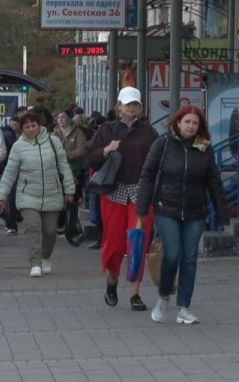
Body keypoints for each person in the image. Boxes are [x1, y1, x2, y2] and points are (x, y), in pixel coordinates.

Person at [135, 106, 229, 324]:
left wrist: (223, 214)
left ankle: (184, 307)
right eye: (187, 121)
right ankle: (164, 295)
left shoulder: (204, 148)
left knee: (189, 259)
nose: (190, 126)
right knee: (173, 255)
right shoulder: (163, 144)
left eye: (195, 123)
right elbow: (147, 175)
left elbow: (213, 182)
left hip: (195, 211)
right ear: (177, 123)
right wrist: (142, 208)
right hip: (166, 207)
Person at [85, 86, 158, 311]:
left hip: (140, 193)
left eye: (136, 104)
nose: (132, 108)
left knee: (138, 242)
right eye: (128, 104)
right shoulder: (107, 129)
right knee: (114, 244)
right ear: (119, 106)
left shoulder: (148, 132)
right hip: (114, 192)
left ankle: (135, 293)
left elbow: (158, 161)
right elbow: (89, 157)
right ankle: (112, 280)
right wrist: (106, 150)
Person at [0, 111, 75, 277]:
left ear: (39, 125)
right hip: (27, 195)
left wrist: (69, 189)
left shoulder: (53, 142)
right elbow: (10, 173)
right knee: (33, 227)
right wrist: (1, 196)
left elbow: (64, 166)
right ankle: (35, 263)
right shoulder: (18, 147)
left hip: (52, 193)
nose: (31, 129)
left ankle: (46, 256)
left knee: (50, 231)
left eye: (34, 125)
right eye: (27, 127)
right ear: (22, 129)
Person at [53, 111, 88, 207]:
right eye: (58, 117)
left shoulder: (78, 133)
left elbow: (82, 150)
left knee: (73, 200)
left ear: (69, 119)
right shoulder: (54, 133)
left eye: (63, 117)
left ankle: (73, 217)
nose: (60, 120)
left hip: (74, 170)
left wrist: (66, 155)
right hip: (58, 170)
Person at [0, 116, 23, 235]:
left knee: (7, 196)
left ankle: (9, 222)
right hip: (10, 168)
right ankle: (10, 224)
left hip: (6, 168)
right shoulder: (9, 135)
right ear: (15, 124)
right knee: (10, 197)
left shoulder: (3, 132)